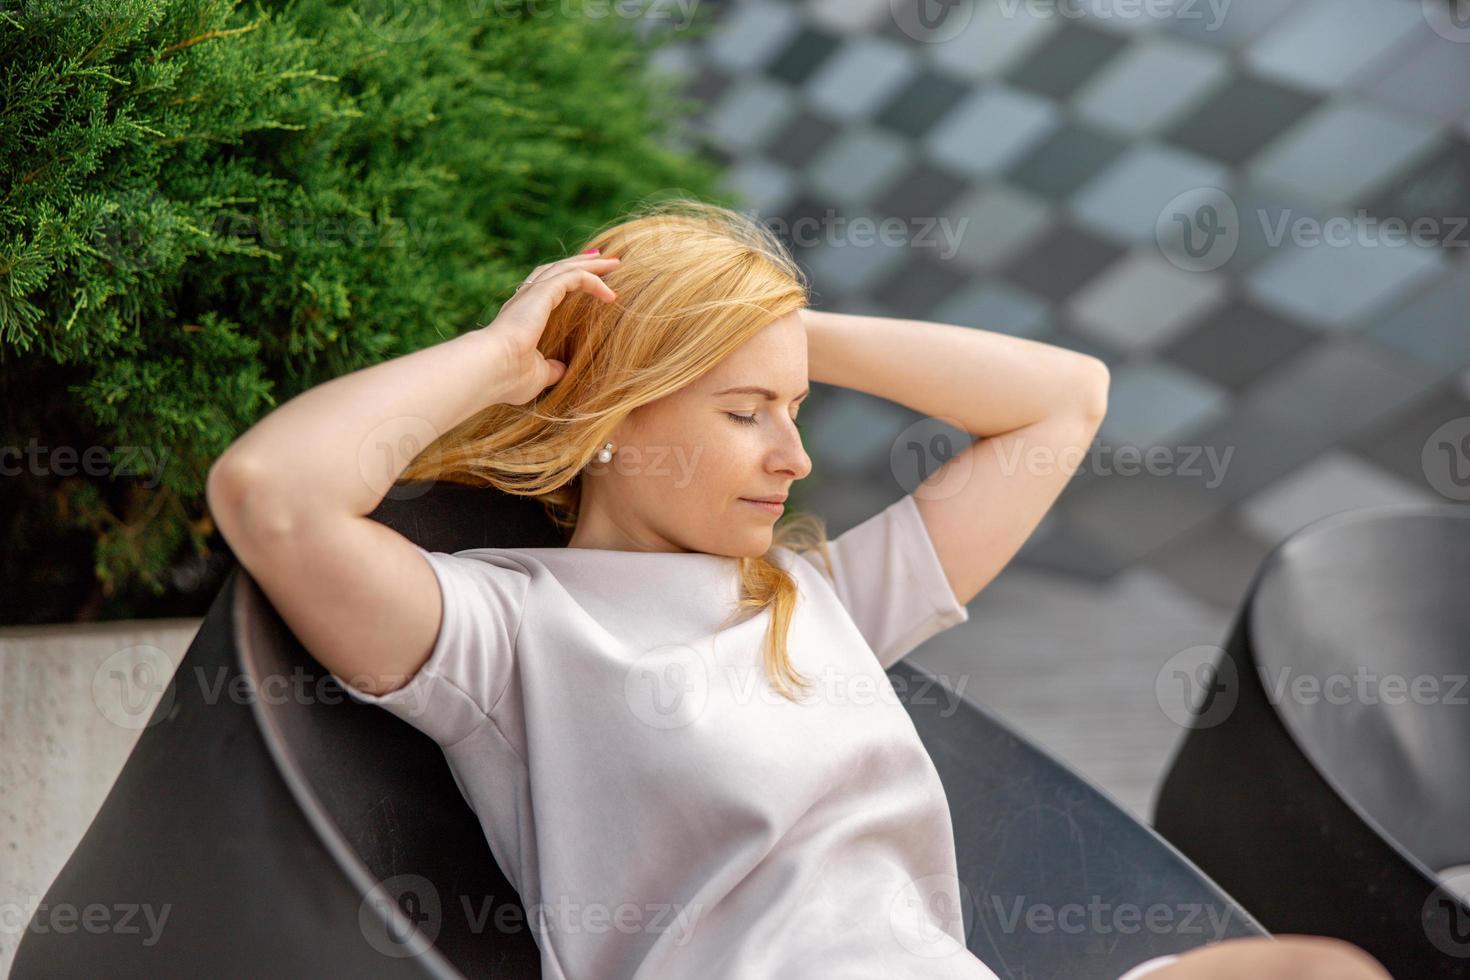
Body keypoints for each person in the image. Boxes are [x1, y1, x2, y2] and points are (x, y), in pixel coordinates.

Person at [206, 199, 1392, 980]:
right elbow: (274, 494)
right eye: (745, 412)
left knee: (1324, 974)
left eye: (797, 406)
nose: (796, 454)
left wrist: (773, 329)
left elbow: (1062, 399)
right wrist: (511, 356)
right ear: (616, 421)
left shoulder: (816, 599)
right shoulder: (508, 630)